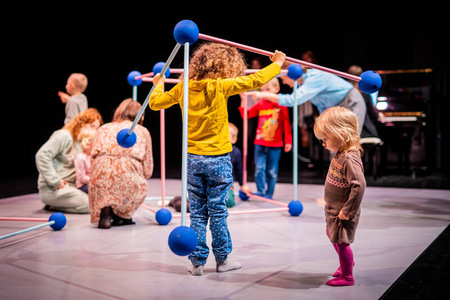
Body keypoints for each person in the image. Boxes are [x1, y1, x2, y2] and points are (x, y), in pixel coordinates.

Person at [148, 42, 286, 276]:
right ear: (223, 67)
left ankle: (197, 263)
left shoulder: (184, 88)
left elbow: (154, 103)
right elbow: (253, 81)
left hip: (193, 160)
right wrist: (278, 64)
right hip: (219, 160)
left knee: (199, 213)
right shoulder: (219, 86)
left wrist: (159, 86)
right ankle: (222, 260)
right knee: (218, 212)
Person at [313, 106, 366, 286]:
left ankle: (347, 276)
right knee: (331, 234)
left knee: (341, 242)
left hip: (343, 212)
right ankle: (346, 265)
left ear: (341, 134)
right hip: (333, 209)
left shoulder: (349, 159)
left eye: (326, 139)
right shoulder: (341, 153)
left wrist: (347, 211)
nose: (324, 143)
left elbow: (359, 186)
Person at [252, 58, 367, 135]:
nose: (285, 83)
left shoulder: (313, 78)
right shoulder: (303, 84)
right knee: (336, 142)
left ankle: (352, 172)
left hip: (351, 102)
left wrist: (264, 95)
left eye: (284, 79)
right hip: (337, 108)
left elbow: (293, 100)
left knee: (350, 140)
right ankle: (338, 172)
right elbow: (323, 107)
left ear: (290, 74)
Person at [89, 98, 154, 229]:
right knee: (138, 184)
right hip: (127, 174)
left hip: (101, 174)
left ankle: (106, 211)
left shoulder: (103, 128)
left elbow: (92, 158)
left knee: (104, 180)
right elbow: (148, 167)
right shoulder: (142, 131)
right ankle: (122, 215)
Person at [36, 108, 103, 214]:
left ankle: (60, 204)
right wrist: (55, 181)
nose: (94, 131)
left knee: (101, 203)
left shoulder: (83, 143)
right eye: (92, 126)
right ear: (81, 123)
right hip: (54, 188)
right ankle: (54, 205)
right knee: (89, 205)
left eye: (96, 128)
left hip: (73, 187)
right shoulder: (64, 136)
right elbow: (42, 155)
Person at [239, 78, 292, 199]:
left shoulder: (281, 104)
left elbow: (286, 123)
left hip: (276, 143)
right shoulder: (261, 104)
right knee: (259, 168)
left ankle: (269, 194)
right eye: (262, 90)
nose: (264, 93)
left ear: (277, 89)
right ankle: (261, 191)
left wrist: (288, 141)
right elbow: (245, 115)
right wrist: (243, 99)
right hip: (260, 142)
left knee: (272, 171)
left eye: (267, 90)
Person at [347, 65, 382, 138]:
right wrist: (379, 115)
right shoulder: (365, 94)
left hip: (351, 134)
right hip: (368, 132)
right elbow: (374, 115)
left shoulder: (346, 95)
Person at [228, 122, 252, 207]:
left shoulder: (236, 152)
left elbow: (239, 170)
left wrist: (242, 185)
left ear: (233, 139)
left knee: (229, 202)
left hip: (226, 183)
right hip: (212, 181)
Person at [75, 127, 96, 193]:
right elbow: (82, 178)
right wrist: (95, 181)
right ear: (88, 144)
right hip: (83, 186)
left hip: (92, 182)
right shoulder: (80, 158)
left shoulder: (92, 155)